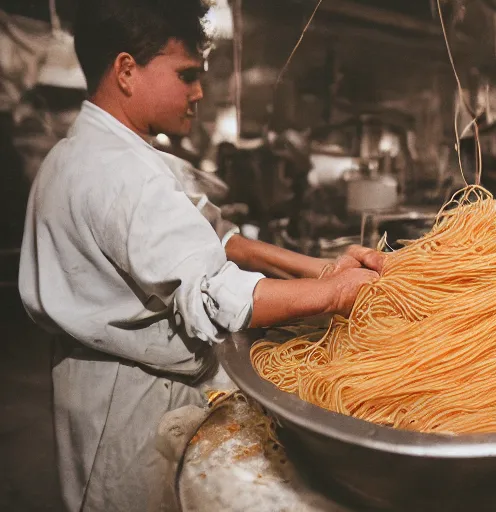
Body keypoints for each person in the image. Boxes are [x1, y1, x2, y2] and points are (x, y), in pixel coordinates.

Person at [18, 1, 384, 510]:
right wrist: (336, 294)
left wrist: (323, 268)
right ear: (126, 70)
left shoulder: (102, 151)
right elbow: (212, 296)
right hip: (128, 405)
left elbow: (217, 237)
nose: (198, 93)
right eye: (186, 75)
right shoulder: (117, 173)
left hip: (112, 385)